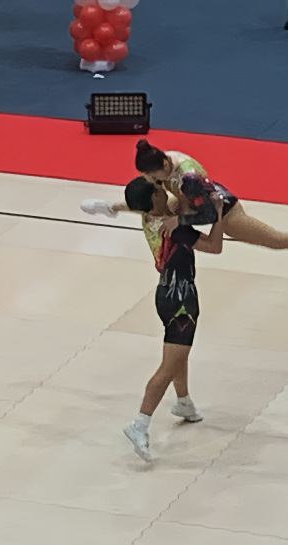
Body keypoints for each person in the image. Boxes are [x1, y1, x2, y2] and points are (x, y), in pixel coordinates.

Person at [81, 139, 288, 265]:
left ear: (164, 166)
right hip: (192, 202)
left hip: (223, 210)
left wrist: (180, 219)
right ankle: (110, 208)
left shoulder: (188, 178)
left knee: (276, 240)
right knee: (151, 203)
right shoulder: (163, 161)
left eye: (151, 175)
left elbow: (208, 214)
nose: (149, 179)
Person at [120, 178, 225, 462]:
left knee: (178, 354)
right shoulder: (176, 229)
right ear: (154, 199)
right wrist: (218, 213)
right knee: (168, 366)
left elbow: (173, 206)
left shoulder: (148, 219)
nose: (164, 191)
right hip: (181, 300)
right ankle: (140, 424)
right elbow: (215, 246)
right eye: (159, 190)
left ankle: (183, 402)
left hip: (164, 294)